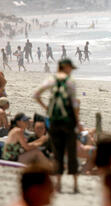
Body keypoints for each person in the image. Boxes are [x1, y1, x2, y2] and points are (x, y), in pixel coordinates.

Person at [34, 59, 81, 193]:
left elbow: (36, 95)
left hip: (54, 121)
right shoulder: (70, 81)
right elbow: (74, 104)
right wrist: (77, 121)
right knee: (72, 152)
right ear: (65, 67)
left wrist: (47, 109)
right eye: (70, 68)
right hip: (68, 121)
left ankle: (59, 184)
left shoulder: (51, 79)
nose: (71, 70)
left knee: (57, 153)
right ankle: (75, 185)